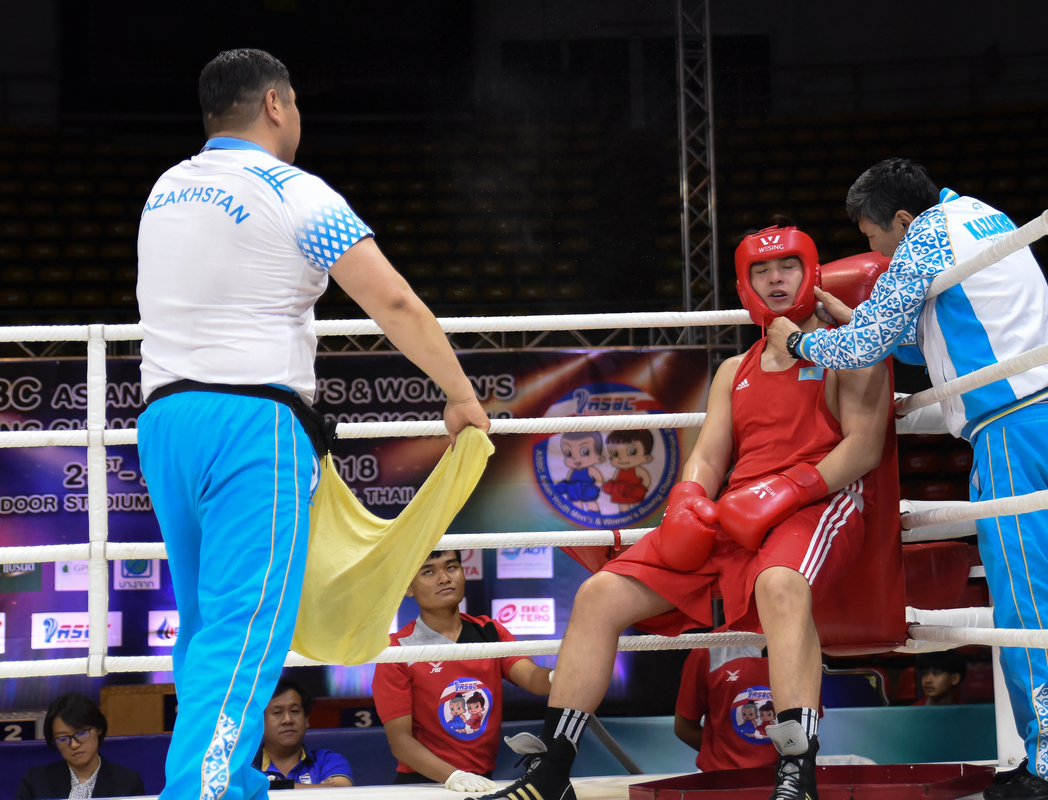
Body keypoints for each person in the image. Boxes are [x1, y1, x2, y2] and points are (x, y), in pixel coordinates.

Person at [135, 49, 490, 800]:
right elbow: (391, 302)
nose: (297, 115)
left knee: (205, 624)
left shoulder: (165, 190)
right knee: (246, 625)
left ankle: (205, 778)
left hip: (165, 422)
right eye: (294, 103)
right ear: (273, 104)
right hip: (250, 424)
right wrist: (458, 392)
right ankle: (206, 789)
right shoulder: (295, 190)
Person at [472, 224, 893, 800]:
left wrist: (788, 490)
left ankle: (797, 773)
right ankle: (551, 774)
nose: (775, 279)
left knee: (779, 584)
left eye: (788, 267)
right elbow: (710, 456)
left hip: (819, 502)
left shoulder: (852, 347)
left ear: (811, 273)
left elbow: (865, 446)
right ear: (744, 283)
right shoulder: (732, 371)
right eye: (761, 271)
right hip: (740, 511)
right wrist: (689, 498)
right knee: (600, 595)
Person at [770, 159, 1048, 800]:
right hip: (1046, 414)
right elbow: (942, 339)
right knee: (1043, 595)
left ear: (902, 218)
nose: (874, 252)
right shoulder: (979, 216)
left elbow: (863, 351)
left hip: (1013, 422)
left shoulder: (927, 236)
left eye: (873, 237)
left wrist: (800, 342)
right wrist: (857, 320)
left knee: (1030, 603)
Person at [372, 549, 553, 792]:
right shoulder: (397, 649)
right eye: (428, 571)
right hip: (422, 787)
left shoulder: (490, 632)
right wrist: (453, 776)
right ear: (408, 587)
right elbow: (400, 742)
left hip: (482, 783)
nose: (444, 578)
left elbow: (532, 677)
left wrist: (558, 676)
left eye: (451, 567)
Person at [16, 693, 144, 800]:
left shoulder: (127, 782)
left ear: (98, 728)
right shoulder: (36, 781)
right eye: (62, 738)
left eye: (81, 733)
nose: (74, 744)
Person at [675, 646, 777, 771]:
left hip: (789, 778)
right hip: (720, 778)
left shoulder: (800, 642)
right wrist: (722, 754)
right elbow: (684, 727)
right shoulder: (708, 649)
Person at [256, 679, 353, 788]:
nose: (288, 720)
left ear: (306, 719)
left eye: (295, 711)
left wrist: (267, 787)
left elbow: (340, 792)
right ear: (260, 723)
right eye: (277, 713)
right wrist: (321, 789)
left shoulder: (328, 760)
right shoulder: (244, 767)